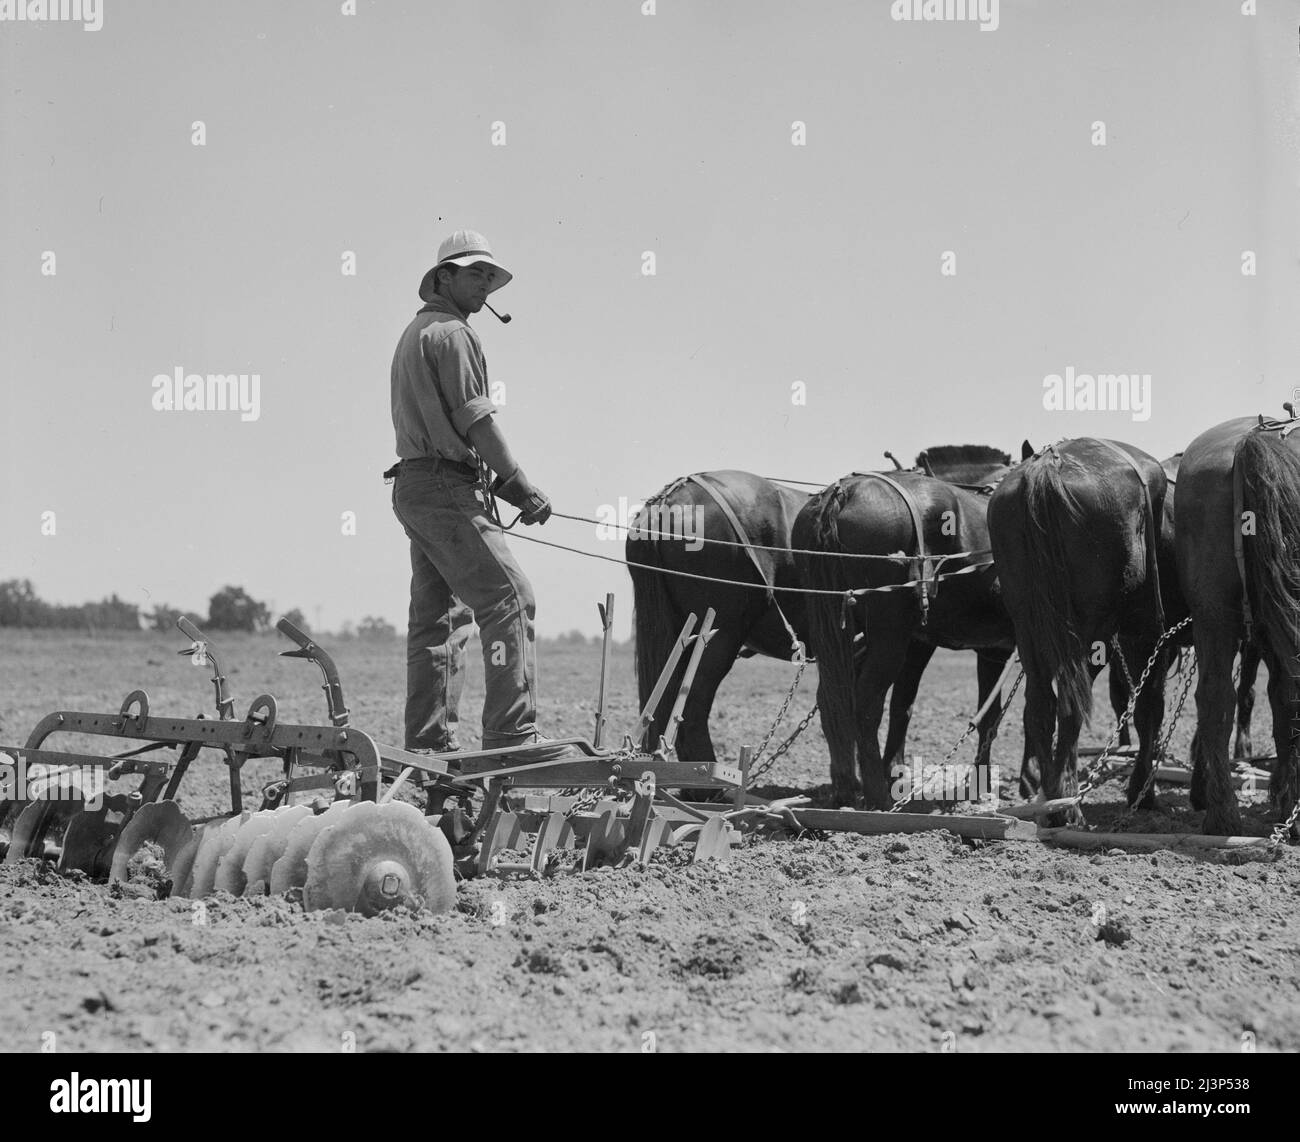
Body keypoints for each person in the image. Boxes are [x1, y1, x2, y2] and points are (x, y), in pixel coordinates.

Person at [387, 229, 576, 763]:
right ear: (443, 277)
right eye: (475, 274)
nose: (485, 286)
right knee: (511, 599)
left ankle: (425, 755)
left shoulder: (414, 334)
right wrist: (518, 484)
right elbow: (477, 420)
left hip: (414, 486)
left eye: (489, 277)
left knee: (438, 623)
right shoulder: (454, 335)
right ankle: (512, 742)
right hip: (446, 488)